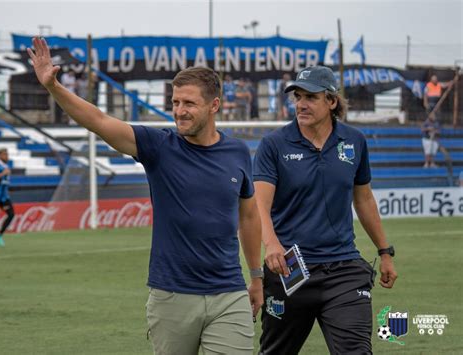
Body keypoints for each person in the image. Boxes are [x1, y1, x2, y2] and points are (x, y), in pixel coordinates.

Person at [28, 37, 263, 355]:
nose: (179, 111)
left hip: (229, 295)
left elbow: (248, 216)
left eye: (189, 103)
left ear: (215, 105)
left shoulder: (237, 151)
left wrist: (257, 276)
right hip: (171, 296)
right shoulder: (158, 146)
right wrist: (53, 87)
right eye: (176, 102)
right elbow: (99, 121)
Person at [253, 66, 397, 354]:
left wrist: (384, 251)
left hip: (343, 270)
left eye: (310, 97)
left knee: (355, 351)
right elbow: (259, 205)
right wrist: (271, 244)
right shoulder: (274, 144)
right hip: (290, 270)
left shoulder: (354, 141)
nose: (301, 104)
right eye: (297, 97)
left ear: (331, 101)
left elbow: (364, 199)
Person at [0, 148, 15, 247]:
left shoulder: (6, 166)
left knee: (11, 214)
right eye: (4, 155)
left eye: (7, 154)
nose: (7, 156)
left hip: (3, 197)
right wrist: (2, 174)